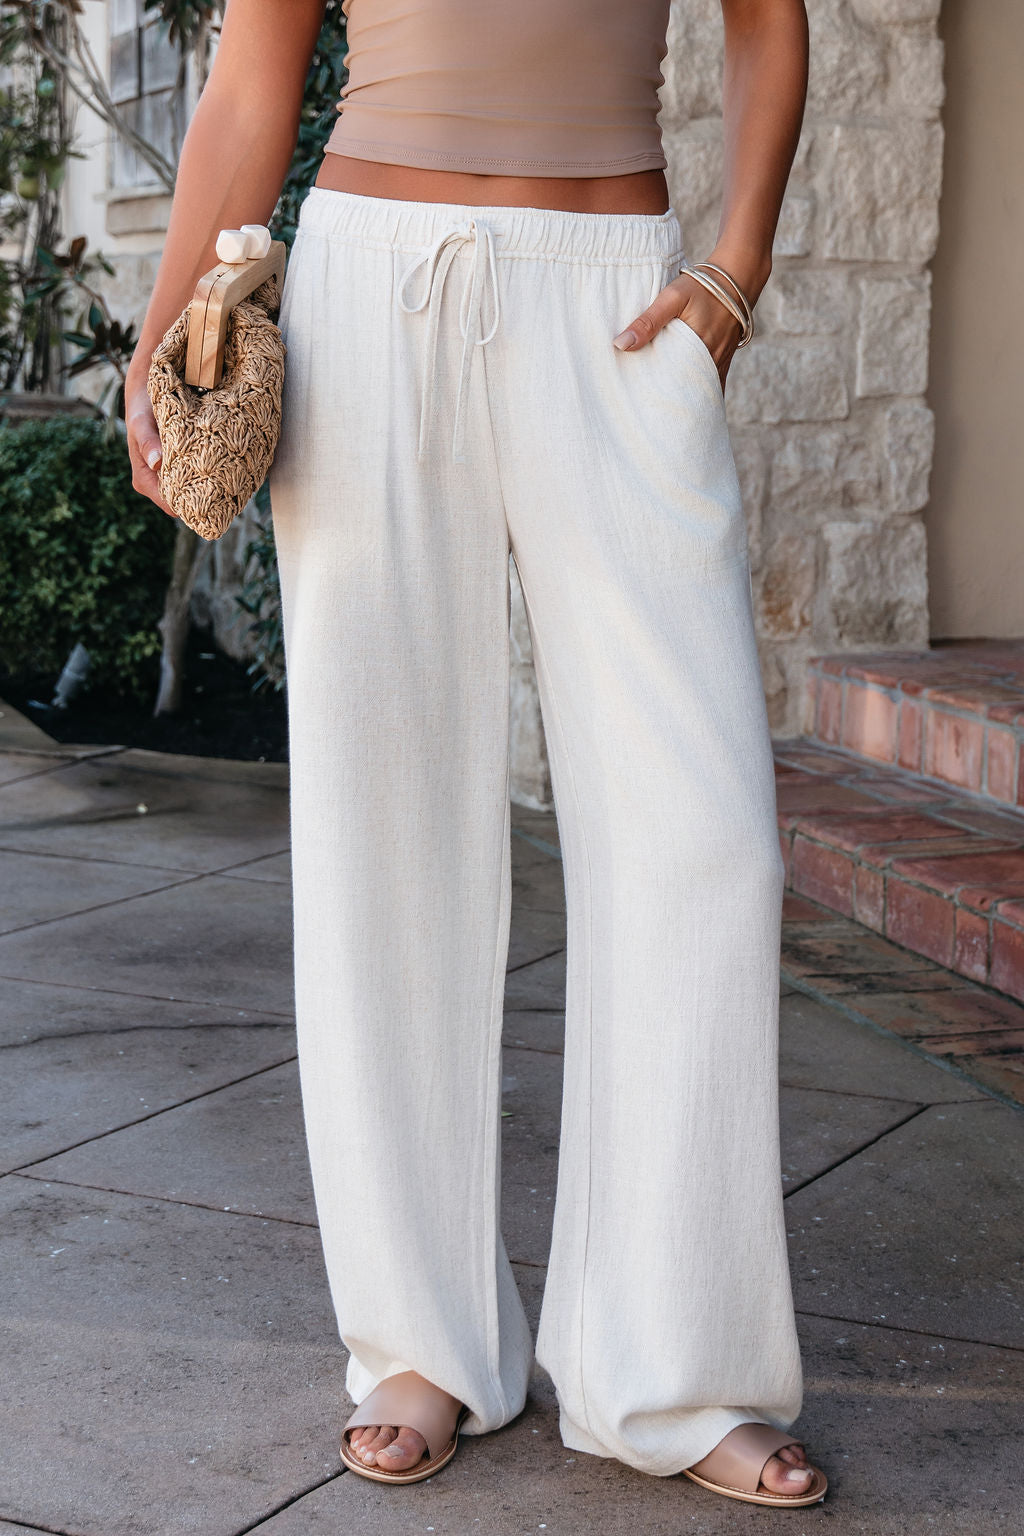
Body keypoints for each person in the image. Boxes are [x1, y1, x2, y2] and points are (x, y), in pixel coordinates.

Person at [126, 0, 828, 1508]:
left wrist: (738, 268)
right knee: (387, 828)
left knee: (706, 839)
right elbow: (256, 67)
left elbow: (770, 23)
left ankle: (676, 1365)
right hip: (376, 288)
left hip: (621, 300)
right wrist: (169, 308)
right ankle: (418, 1340)